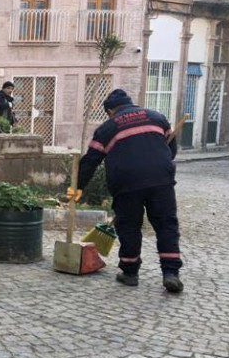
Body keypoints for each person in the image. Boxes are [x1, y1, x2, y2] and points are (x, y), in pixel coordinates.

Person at [73, 89, 184, 293]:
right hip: (161, 179)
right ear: (130, 103)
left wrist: (78, 186)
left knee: (129, 226)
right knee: (166, 225)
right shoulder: (157, 117)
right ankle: (171, 274)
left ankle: (130, 272)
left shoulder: (107, 128)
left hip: (126, 183)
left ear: (109, 111)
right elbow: (171, 149)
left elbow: (91, 161)